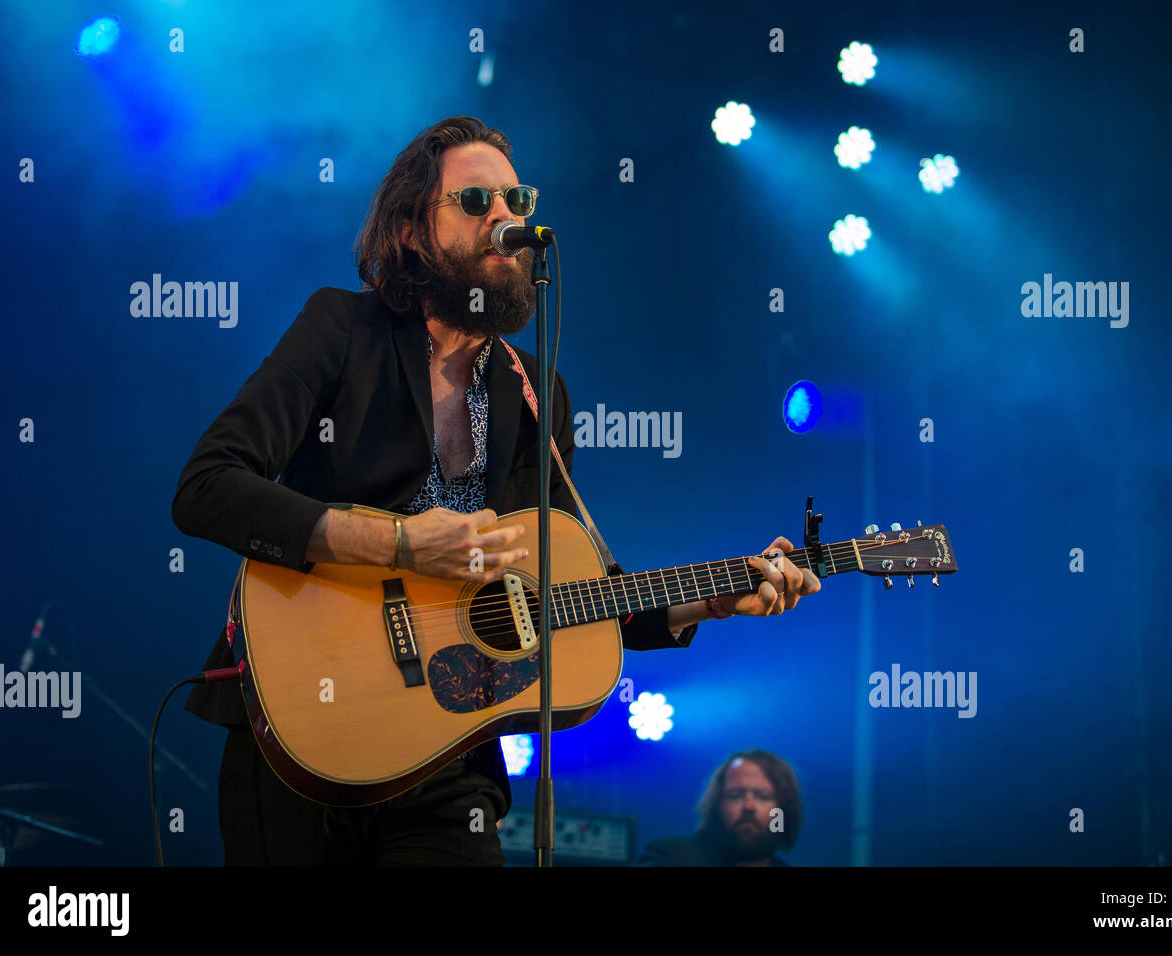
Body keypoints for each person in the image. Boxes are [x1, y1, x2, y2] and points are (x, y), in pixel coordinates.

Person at [171, 115, 821, 866]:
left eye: (518, 201)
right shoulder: (342, 330)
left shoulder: (538, 392)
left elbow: (578, 590)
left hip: (453, 749)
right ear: (412, 231)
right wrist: (400, 543)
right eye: (477, 201)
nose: (507, 218)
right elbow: (208, 487)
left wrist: (712, 597)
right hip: (305, 722)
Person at [638, 749, 802, 866]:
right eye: (735, 795)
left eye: (762, 796)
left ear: (783, 810)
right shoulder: (670, 858)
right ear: (717, 805)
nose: (748, 806)